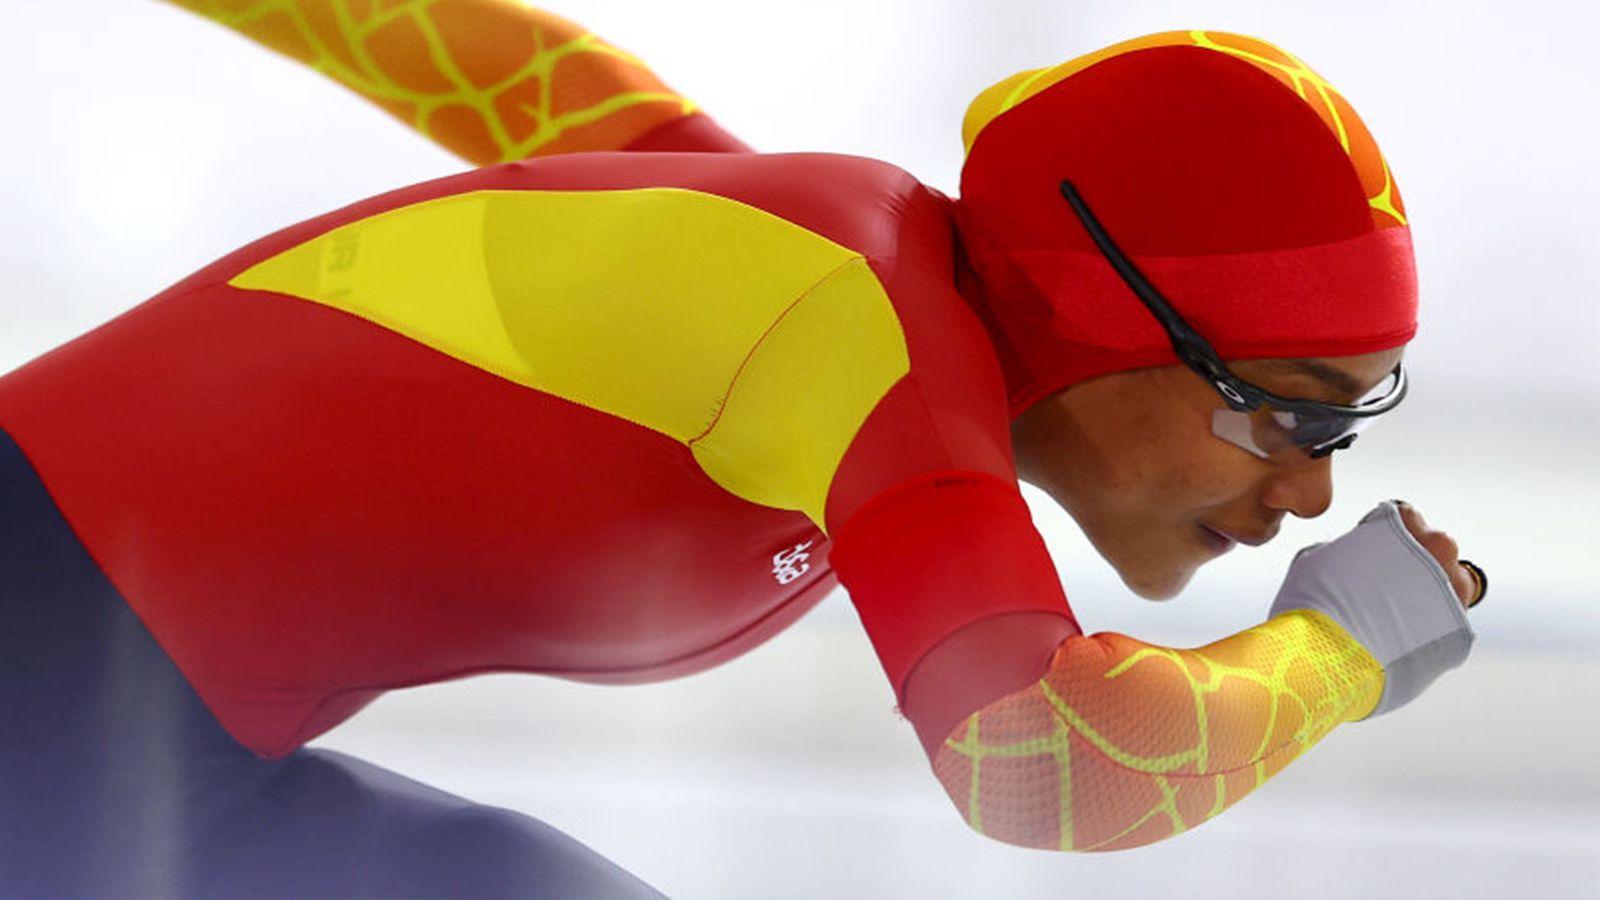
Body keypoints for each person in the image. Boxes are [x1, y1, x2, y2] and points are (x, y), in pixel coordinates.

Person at [0, 2, 1486, 895]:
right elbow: (1042, 759)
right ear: (1099, 319)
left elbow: (494, 64)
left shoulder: (806, 262)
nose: (1311, 489)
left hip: (137, 742)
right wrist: (1339, 649)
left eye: (1354, 424)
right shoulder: (850, 331)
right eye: (1292, 411)